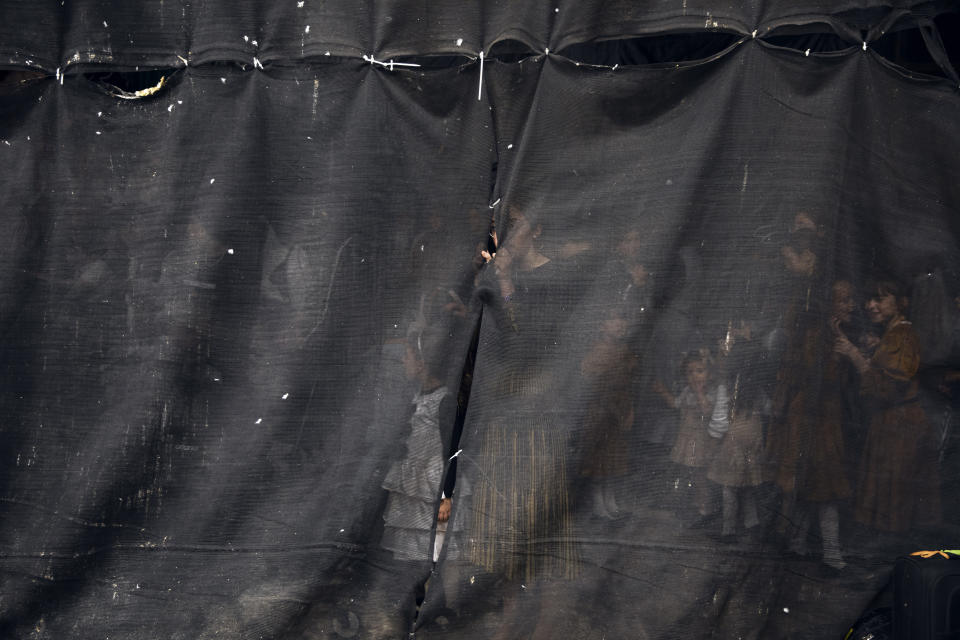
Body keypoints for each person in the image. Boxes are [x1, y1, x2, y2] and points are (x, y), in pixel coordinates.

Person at [834, 280, 941, 533]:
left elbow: (890, 386)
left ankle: (892, 561)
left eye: (880, 299)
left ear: (900, 303)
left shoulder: (902, 334)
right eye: (869, 299)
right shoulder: (893, 333)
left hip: (901, 426)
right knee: (891, 497)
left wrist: (853, 354)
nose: (871, 305)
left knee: (896, 499)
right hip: (892, 424)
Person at [768, 280, 858, 568]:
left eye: (850, 300)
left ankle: (806, 545)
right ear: (829, 306)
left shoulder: (836, 334)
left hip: (826, 416)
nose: (850, 306)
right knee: (819, 486)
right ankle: (827, 553)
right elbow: (818, 377)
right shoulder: (816, 336)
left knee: (819, 485)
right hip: (809, 416)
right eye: (844, 301)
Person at [654, 349, 729, 526]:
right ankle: (696, 505)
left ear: (710, 374)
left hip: (702, 441)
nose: (695, 376)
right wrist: (662, 391)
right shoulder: (688, 391)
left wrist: (700, 393)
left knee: (701, 475)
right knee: (692, 475)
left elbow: (707, 411)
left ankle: (706, 509)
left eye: (700, 371)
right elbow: (676, 403)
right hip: (687, 439)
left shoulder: (710, 393)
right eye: (690, 372)